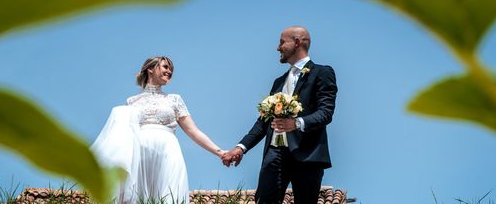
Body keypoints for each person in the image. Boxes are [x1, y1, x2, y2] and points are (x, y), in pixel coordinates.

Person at [221, 26, 338, 204]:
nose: (278, 47)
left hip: (307, 154)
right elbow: (263, 122)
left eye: (282, 42)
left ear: (297, 42)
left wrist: (296, 123)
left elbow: (325, 113)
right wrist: (240, 148)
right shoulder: (278, 82)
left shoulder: (322, 73)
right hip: (274, 155)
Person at [91, 56, 224, 204]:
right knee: (139, 197)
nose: (169, 71)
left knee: (171, 195)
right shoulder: (131, 102)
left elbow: (193, 131)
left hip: (168, 151)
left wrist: (220, 152)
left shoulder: (175, 100)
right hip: (140, 155)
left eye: (171, 69)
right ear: (150, 69)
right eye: (165, 67)